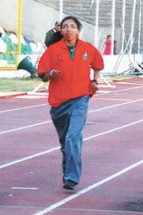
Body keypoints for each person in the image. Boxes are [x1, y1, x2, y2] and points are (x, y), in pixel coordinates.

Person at [37, 16, 104, 190]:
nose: (68, 29)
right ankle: (68, 171)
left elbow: (97, 64)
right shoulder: (52, 50)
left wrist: (95, 81)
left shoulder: (87, 49)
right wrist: (50, 74)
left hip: (80, 98)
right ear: (60, 30)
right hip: (59, 103)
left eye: (72, 27)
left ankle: (71, 178)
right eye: (65, 27)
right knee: (65, 142)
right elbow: (42, 74)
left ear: (78, 30)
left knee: (72, 137)